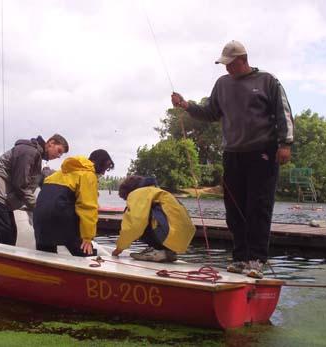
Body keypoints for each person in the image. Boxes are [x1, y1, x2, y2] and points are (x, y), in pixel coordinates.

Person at [171, 40, 294, 278]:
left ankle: (256, 259)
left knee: (257, 207)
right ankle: (240, 258)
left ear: (243, 60)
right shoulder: (222, 84)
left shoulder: (267, 81)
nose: (226, 69)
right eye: (224, 64)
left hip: (263, 152)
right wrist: (186, 105)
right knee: (234, 209)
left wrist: (285, 144)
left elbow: (284, 113)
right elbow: (211, 112)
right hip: (233, 154)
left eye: (230, 64)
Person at [0, 134, 69, 246]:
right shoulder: (29, 152)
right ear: (51, 143)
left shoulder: (36, 155)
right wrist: (36, 207)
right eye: (59, 151)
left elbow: (32, 181)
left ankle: (2, 259)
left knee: (10, 234)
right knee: (6, 234)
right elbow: (20, 184)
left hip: (3, 195)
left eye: (61, 154)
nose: (59, 156)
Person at [33, 149, 114, 256]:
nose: (103, 172)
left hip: (39, 218)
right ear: (97, 162)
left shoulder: (57, 174)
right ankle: (88, 266)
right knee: (85, 251)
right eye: (105, 167)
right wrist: (87, 237)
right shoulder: (88, 175)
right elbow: (87, 207)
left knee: (46, 255)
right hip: (61, 217)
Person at [111, 176, 195, 262]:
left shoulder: (139, 193)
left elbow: (134, 225)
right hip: (184, 238)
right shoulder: (158, 192)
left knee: (136, 217)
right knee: (146, 214)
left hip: (167, 234)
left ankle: (157, 251)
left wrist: (119, 249)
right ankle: (166, 252)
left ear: (128, 192)